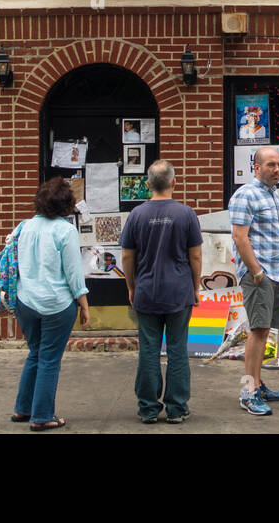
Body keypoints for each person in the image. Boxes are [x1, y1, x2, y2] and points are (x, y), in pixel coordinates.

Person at [120, 160, 203, 424]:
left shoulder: (136, 215)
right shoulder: (186, 214)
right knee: (178, 348)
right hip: (179, 290)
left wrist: (131, 287)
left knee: (148, 348)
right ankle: (177, 408)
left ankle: (147, 408)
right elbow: (196, 256)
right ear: (174, 183)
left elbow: (127, 256)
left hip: (146, 290)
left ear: (147, 184)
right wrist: (195, 286)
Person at [11, 177, 91, 431]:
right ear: (66, 205)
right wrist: (84, 303)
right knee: (49, 359)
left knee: (35, 353)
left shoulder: (23, 227)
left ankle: (23, 409)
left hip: (26, 302)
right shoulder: (65, 230)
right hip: (56, 304)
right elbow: (73, 273)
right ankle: (43, 415)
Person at [228, 146, 279, 416]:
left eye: (278, 164)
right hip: (259, 274)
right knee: (257, 330)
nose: (276, 169)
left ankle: (258, 383)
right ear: (257, 167)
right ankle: (248, 391)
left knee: (264, 331)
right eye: (270, 165)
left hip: (274, 272)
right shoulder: (246, 195)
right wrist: (256, 271)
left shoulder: (272, 195)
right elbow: (240, 237)